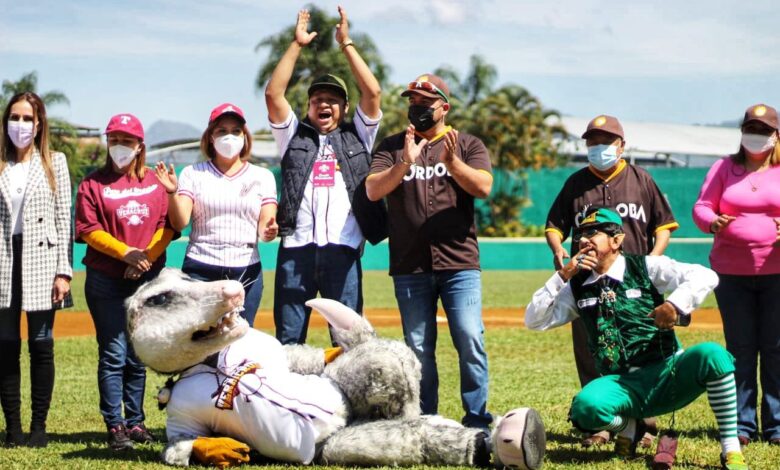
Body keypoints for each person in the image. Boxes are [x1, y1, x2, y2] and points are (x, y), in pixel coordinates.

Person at [526, 207, 749, 470]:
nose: (584, 240)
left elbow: (705, 275)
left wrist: (675, 305)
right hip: (622, 384)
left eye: (593, 234)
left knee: (714, 355)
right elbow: (535, 320)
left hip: (668, 373)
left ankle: (730, 449)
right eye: (581, 235)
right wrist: (563, 275)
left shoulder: (645, 266)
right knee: (585, 408)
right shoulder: (577, 286)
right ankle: (631, 425)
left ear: (617, 240)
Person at [366, 73, 493, 429]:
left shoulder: (466, 144)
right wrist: (404, 162)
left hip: (459, 264)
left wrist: (454, 165)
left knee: (469, 340)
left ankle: (477, 419)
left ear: (444, 108)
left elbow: (483, 187)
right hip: (411, 266)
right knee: (419, 348)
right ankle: (426, 420)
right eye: (412, 101)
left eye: (425, 102)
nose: (417, 108)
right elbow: (373, 190)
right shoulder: (393, 146)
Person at [544, 114, 678, 447]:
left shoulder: (640, 179)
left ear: (621, 146)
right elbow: (554, 225)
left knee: (638, 348)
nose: (598, 148)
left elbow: (662, 226)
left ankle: (644, 420)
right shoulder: (576, 184)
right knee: (591, 347)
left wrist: (654, 261)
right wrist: (558, 248)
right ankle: (600, 425)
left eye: (605, 142)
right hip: (588, 280)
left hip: (632, 280)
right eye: (592, 142)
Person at [265, 6, 382, 345]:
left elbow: (372, 93)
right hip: (296, 250)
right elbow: (274, 94)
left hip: (342, 249)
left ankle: (346, 399)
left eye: (333, 99)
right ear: (308, 107)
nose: (324, 104)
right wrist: (296, 44)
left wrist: (346, 44)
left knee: (349, 341)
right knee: (289, 339)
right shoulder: (293, 137)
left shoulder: (358, 136)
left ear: (345, 109)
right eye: (317, 99)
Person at [75, 113, 174, 450]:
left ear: (139, 146)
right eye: (114, 140)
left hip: (147, 281)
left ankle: (135, 422)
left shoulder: (154, 183)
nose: (120, 146)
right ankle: (114, 425)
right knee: (114, 354)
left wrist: (144, 256)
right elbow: (89, 230)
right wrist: (127, 254)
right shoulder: (92, 184)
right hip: (106, 281)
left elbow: (168, 226)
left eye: (127, 141)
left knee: (138, 355)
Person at [693, 103, 780, 446]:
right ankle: (741, 426)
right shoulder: (723, 168)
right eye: (751, 130)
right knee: (740, 349)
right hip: (730, 273)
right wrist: (711, 221)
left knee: (775, 349)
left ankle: (776, 426)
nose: (755, 137)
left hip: (777, 273)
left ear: (777, 136)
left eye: (763, 131)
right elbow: (701, 206)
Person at [156, 103, 278, 327]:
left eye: (235, 131)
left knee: (239, 338)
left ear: (244, 136)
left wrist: (269, 231)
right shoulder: (193, 174)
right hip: (201, 268)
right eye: (222, 131)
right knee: (199, 339)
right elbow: (180, 222)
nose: (229, 137)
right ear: (211, 137)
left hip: (246, 269)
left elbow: (265, 227)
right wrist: (172, 192)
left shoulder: (263, 176)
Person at [0, 92, 72, 448]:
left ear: (39, 122)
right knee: (5, 345)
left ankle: (38, 428)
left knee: (41, 345)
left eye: (28, 118)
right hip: (3, 259)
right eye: (15, 117)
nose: (21, 125)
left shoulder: (54, 162)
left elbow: (63, 218)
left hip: (42, 259)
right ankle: (12, 428)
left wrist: (64, 271)